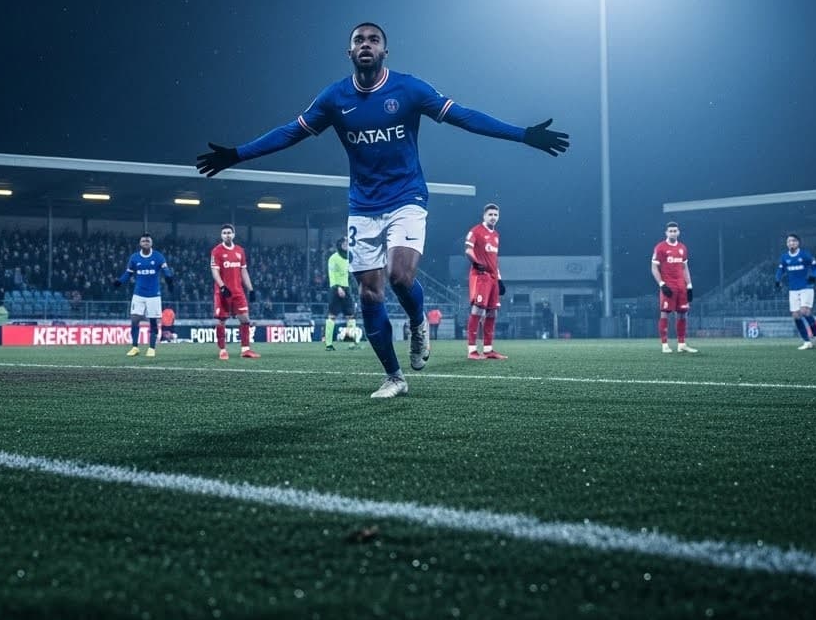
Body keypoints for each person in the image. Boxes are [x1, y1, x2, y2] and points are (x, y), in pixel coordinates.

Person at [196, 22, 569, 398]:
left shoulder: (408, 89)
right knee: (370, 295)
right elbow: (290, 131)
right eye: (359, 40)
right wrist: (236, 155)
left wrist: (522, 135)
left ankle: (417, 320)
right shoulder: (334, 98)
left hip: (407, 198)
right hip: (362, 206)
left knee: (400, 277)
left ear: (384, 52)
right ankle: (394, 376)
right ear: (349, 52)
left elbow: (465, 117)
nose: (366, 45)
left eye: (373, 40)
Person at [114, 233, 174, 357]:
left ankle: (151, 348)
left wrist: (169, 278)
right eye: (143, 241)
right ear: (140, 243)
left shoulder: (158, 256)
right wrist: (120, 281)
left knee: (153, 322)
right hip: (139, 294)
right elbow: (128, 273)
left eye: (148, 241)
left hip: (154, 295)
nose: (145, 242)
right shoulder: (135, 258)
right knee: (134, 320)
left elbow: (166, 270)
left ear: (151, 243)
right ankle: (135, 347)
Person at [465, 203, 509, 360]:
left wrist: (500, 279)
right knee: (478, 310)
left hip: (493, 278)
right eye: (490, 214)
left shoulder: (496, 235)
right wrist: (476, 263)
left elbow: (494, 261)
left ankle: (489, 349)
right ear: (484, 216)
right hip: (480, 276)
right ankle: (472, 350)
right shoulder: (476, 231)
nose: (493, 217)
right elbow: (468, 250)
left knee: (492, 311)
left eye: (496, 215)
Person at [209, 224, 258, 360]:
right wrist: (222, 286)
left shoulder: (239, 251)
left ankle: (245, 349)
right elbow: (215, 271)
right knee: (221, 321)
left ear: (233, 234)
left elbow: (243, 271)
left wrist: (251, 289)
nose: (227, 235)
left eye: (229, 232)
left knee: (245, 320)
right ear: (221, 235)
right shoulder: (217, 251)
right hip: (222, 293)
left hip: (238, 292)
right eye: (224, 233)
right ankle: (222, 350)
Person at [650, 221, 697, 354]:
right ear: (666, 233)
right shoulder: (660, 247)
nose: (673, 233)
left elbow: (685, 268)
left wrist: (689, 285)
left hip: (681, 286)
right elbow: (654, 268)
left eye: (675, 231)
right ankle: (664, 345)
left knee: (683, 314)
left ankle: (681, 344)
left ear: (678, 232)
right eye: (670, 231)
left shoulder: (682, 248)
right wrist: (662, 284)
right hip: (668, 285)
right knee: (665, 312)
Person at [776, 234, 816, 350]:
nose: (791, 243)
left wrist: (813, 276)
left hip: (806, 287)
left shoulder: (805, 255)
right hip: (793, 289)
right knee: (796, 315)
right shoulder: (784, 257)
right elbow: (780, 270)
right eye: (789, 241)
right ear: (787, 244)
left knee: (805, 311)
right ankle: (807, 341)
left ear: (798, 243)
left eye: (793, 241)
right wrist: (777, 280)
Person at [323, 238, 356, 351]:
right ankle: (329, 344)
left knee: (350, 316)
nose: (346, 245)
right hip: (335, 289)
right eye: (344, 243)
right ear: (339, 245)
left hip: (347, 289)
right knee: (332, 316)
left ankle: (351, 343)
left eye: (347, 243)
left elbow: (349, 275)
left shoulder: (348, 258)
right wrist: (338, 288)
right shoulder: (333, 258)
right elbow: (331, 275)